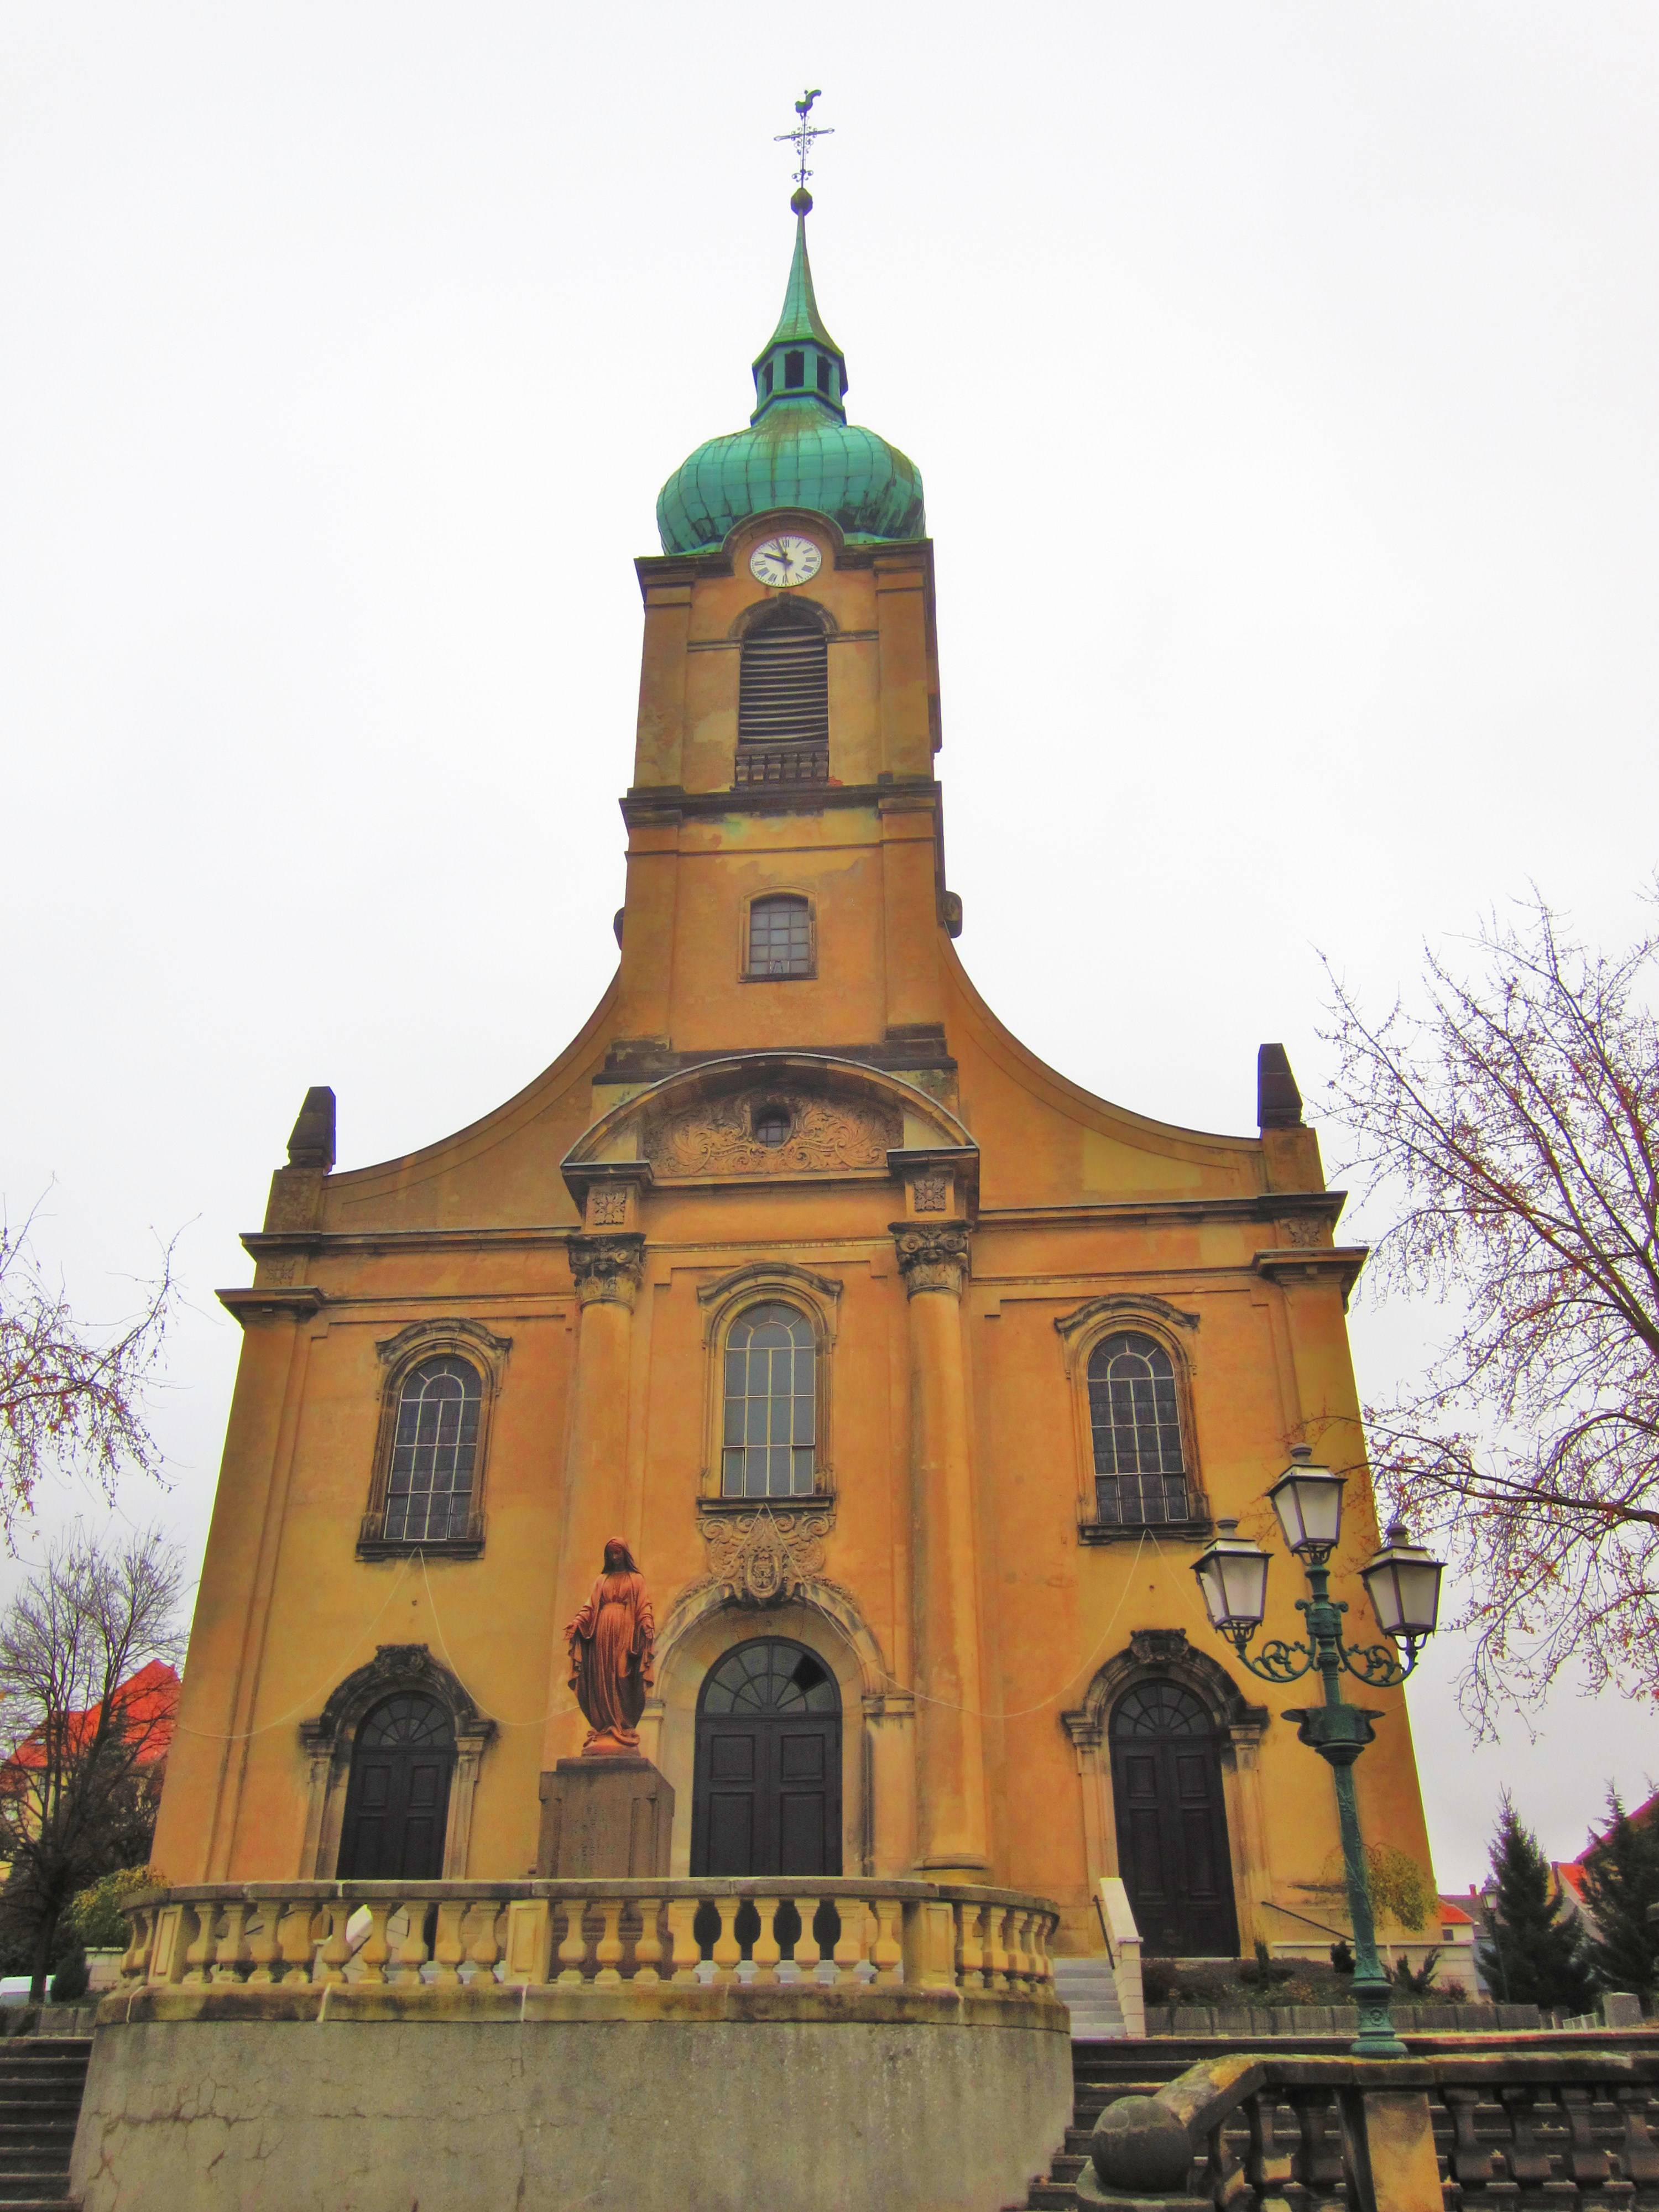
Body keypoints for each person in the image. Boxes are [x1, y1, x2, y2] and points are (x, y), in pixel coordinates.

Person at [566, 1538, 655, 1755]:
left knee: (622, 1674)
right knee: (603, 1677)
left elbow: (644, 1605)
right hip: (602, 1634)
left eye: (618, 1553)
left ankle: (623, 1724)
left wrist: (647, 1623)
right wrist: (577, 1623)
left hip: (625, 1632)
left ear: (625, 1554)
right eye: (612, 1554)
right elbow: (590, 1607)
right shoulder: (602, 1580)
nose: (615, 1557)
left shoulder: (636, 1579)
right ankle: (605, 1725)